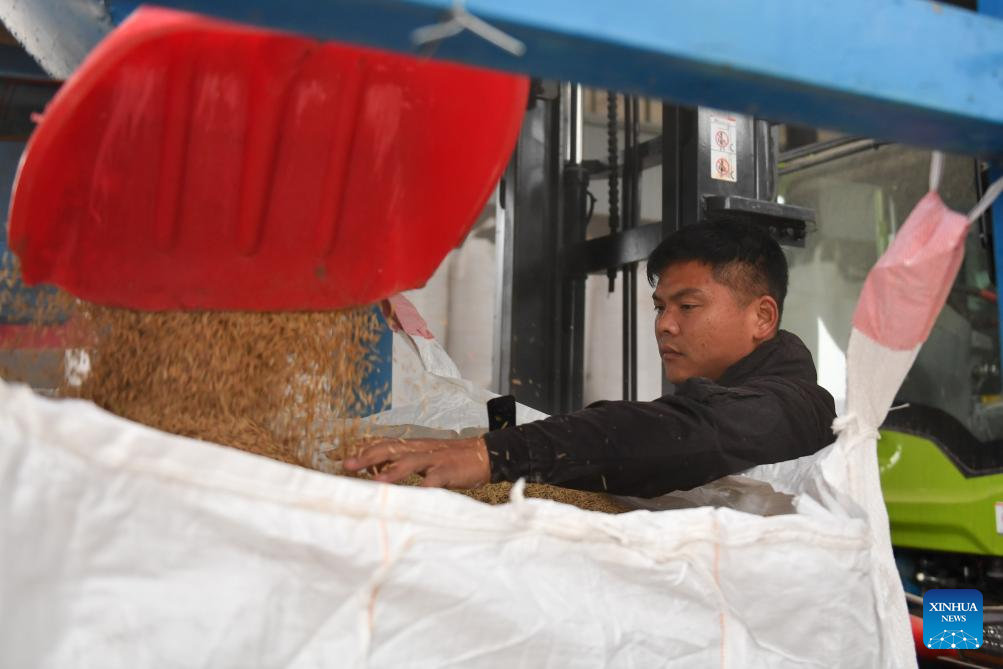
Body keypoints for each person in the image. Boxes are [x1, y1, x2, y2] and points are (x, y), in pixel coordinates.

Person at [345, 219, 836, 497]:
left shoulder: (792, 407)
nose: (664, 325)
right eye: (660, 307)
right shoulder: (735, 397)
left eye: (687, 306)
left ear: (762, 317)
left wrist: (492, 454)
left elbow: (674, 434)